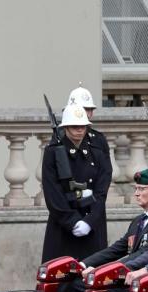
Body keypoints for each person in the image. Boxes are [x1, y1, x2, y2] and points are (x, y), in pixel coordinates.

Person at [41, 104, 112, 262]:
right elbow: (53, 193)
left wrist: (90, 221)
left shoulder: (96, 152)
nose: (80, 130)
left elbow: (101, 192)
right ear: (65, 127)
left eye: (83, 126)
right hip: (64, 226)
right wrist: (72, 221)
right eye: (74, 126)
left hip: (92, 224)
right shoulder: (53, 152)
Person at [81, 168, 148, 273]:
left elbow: (144, 254)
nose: (136, 194)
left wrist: (102, 271)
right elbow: (117, 249)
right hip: (129, 275)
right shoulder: (139, 220)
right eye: (136, 189)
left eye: (141, 189)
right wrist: (84, 264)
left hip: (146, 279)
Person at [65, 83, 111, 171]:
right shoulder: (60, 137)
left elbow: (106, 172)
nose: (85, 113)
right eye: (82, 109)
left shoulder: (99, 139)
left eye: (88, 109)